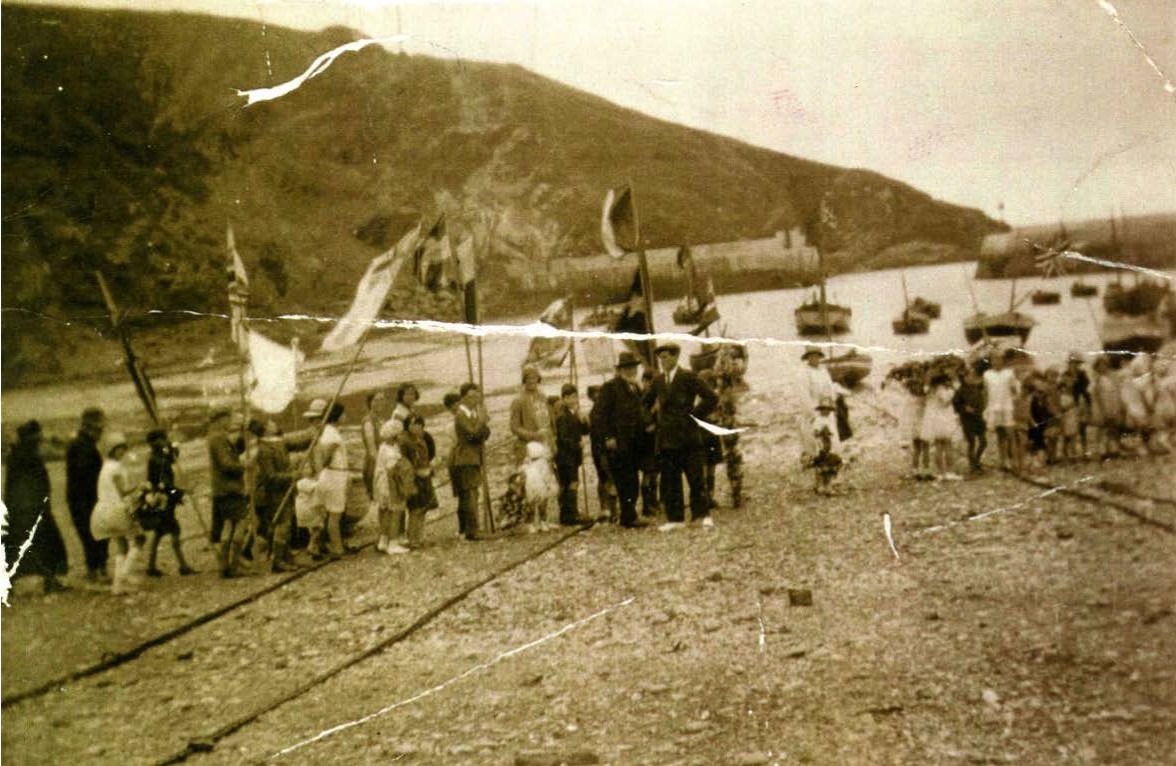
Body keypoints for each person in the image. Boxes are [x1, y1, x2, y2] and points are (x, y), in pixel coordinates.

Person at [652, 342, 718, 531]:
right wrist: (651, 421)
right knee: (671, 480)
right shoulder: (658, 381)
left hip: (689, 437)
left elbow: (711, 397)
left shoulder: (688, 376)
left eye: (665, 357)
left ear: (675, 357)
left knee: (696, 478)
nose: (662, 361)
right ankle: (675, 519)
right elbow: (644, 403)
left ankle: (702, 515)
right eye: (660, 358)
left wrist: (694, 416)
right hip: (668, 440)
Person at [3, 421, 69, 593]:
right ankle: (50, 581)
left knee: (19, 549)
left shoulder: (17, 456)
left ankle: (11, 584)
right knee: (45, 546)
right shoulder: (28, 458)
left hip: (23, 511)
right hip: (31, 511)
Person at [595, 352, 652, 528]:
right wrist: (608, 437)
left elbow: (640, 413)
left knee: (633, 479)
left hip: (635, 443)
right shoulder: (610, 388)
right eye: (627, 368)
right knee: (624, 480)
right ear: (620, 370)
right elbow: (598, 416)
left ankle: (629, 514)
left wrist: (648, 425)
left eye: (633, 368)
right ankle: (628, 516)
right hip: (618, 443)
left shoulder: (635, 388)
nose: (631, 371)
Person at [89, 432, 146, 595]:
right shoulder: (116, 468)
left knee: (121, 544)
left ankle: (117, 586)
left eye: (123, 448)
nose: (122, 452)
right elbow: (123, 492)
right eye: (118, 449)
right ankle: (125, 575)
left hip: (103, 510)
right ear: (112, 451)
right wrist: (141, 487)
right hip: (117, 509)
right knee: (140, 539)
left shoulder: (105, 467)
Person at [255, 419, 310, 572]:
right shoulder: (263, 449)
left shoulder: (278, 442)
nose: (275, 424)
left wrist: (314, 433)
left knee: (287, 523)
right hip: (275, 492)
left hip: (287, 489)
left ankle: (287, 558)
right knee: (282, 525)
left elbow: (298, 444)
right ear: (265, 428)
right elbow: (271, 477)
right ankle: (278, 561)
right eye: (271, 423)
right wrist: (291, 476)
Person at [143, 429, 195, 577]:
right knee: (173, 530)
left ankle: (151, 566)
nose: (164, 441)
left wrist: (172, 447)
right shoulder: (157, 460)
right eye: (162, 439)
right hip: (164, 498)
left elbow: (173, 457)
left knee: (160, 532)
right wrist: (181, 493)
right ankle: (182, 565)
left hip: (161, 498)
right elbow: (166, 485)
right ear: (155, 442)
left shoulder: (158, 456)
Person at [207, 407, 252, 577]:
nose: (229, 421)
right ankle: (233, 566)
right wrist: (243, 467)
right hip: (230, 488)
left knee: (228, 525)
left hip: (221, 489)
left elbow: (231, 453)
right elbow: (226, 463)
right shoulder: (218, 437)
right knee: (241, 523)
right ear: (220, 419)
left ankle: (224, 567)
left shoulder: (215, 437)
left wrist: (242, 437)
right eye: (227, 418)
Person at [66, 407, 108, 580]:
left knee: (89, 533)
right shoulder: (84, 447)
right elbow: (88, 476)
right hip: (86, 499)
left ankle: (95, 568)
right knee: (95, 533)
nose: (101, 433)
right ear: (89, 428)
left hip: (79, 499)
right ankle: (97, 569)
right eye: (99, 430)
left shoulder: (80, 445)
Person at [452, 383, 491, 540]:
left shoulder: (473, 413)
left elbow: (485, 433)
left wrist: (481, 427)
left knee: (473, 493)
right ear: (463, 398)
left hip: (475, 456)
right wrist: (481, 422)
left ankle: (470, 528)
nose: (474, 399)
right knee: (470, 494)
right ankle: (472, 530)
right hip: (466, 458)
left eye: (476, 396)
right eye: (470, 397)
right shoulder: (461, 415)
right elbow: (472, 434)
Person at [373, 421, 413, 554]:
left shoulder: (383, 447)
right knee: (396, 512)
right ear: (394, 435)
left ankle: (383, 541)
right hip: (391, 484)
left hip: (381, 483)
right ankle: (393, 543)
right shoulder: (391, 452)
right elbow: (393, 471)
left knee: (385, 512)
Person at [554, 383, 590, 525]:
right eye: (572, 397)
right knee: (572, 483)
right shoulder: (563, 415)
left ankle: (568, 514)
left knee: (570, 482)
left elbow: (585, 431)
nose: (575, 400)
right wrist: (576, 444)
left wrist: (584, 420)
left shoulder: (573, 413)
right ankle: (571, 514)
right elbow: (562, 438)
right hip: (565, 456)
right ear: (565, 398)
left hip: (573, 455)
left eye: (576, 396)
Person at [400, 414, 438, 546]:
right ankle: (413, 539)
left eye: (418, 424)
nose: (416, 426)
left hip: (424, 475)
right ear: (407, 426)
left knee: (423, 508)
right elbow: (404, 462)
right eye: (412, 424)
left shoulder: (421, 438)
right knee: (415, 509)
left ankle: (419, 537)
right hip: (414, 477)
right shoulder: (404, 441)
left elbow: (429, 454)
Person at [983, 349, 1019, 470]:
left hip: (1007, 407)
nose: (996, 362)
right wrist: (986, 408)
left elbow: (1015, 390)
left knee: (1010, 435)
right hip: (994, 407)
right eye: (994, 359)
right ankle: (1003, 462)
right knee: (1000, 436)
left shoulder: (1009, 373)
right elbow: (986, 393)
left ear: (1003, 360)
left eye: (999, 359)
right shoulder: (987, 374)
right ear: (991, 361)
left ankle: (1015, 462)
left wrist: (1012, 401)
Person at [510, 366, 554, 466]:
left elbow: (549, 420)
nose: (531, 381)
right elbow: (514, 427)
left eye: (534, 378)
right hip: (527, 445)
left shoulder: (542, 397)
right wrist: (532, 435)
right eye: (528, 378)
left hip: (544, 443)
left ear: (538, 379)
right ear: (524, 380)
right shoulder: (518, 400)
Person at [586, 385, 618, 522]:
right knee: (608, 479)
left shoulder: (600, 410)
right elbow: (601, 431)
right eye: (595, 394)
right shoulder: (597, 412)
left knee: (606, 479)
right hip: (601, 450)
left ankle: (608, 509)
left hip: (601, 450)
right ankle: (609, 510)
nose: (598, 396)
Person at [922, 373, 962, 480]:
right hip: (943, 419)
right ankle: (949, 472)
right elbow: (945, 403)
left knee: (938, 446)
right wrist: (953, 393)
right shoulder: (941, 390)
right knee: (947, 445)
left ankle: (940, 472)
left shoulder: (930, 390)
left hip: (934, 419)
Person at [953, 362, 988, 474]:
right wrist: (964, 408)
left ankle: (977, 461)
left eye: (972, 375)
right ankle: (972, 466)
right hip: (967, 419)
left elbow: (983, 399)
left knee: (983, 442)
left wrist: (983, 409)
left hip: (979, 417)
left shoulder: (977, 387)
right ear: (964, 378)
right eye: (968, 376)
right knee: (971, 442)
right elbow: (955, 405)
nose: (971, 378)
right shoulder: (960, 391)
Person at [803, 396, 843, 495]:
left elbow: (833, 433)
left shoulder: (829, 419)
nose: (827, 411)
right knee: (824, 465)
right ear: (821, 409)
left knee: (824, 465)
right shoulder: (819, 420)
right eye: (824, 409)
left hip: (829, 445)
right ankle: (824, 487)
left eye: (828, 409)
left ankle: (822, 486)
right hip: (823, 445)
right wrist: (821, 437)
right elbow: (816, 432)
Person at [1090, 355, 1125, 459]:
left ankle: (1113, 449)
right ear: (1096, 367)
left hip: (1113, 404)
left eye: (1104, 365)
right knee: (1103, 428)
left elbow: (1117, 391)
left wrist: (1119, 405)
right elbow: (1097, 395)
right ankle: (1102, 451)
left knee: (1113, 428)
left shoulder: (1112, 377)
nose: (1103, 368)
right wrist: (1102, 409)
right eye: (1100, 366)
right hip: (1102, 406)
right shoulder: (1096, 380)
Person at [638, 368, 661, 517]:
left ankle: (654, 501)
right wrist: (653, 412)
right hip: (644, 441)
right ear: (644, 382)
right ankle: (647, 506)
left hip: (655, 440)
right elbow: (641, 418)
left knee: (655, 473)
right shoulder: (641, 398)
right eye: (649, 382)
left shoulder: (655, 398)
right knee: (648, 473)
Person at [522, 441, 559, 530]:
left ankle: (541, 522)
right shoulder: (529, 463)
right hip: (533, 486)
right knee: (535, 504)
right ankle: (533, 523)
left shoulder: (542, 463)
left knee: (540, 504)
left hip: (538, 486)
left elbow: (546, 476)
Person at [361, 390, 390, 498]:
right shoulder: (368, 421)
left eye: (382, 400)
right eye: (376, 400)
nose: (379, 403)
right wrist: (383, 467)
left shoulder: (381, 420)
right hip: (375, 464)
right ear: (370, 403)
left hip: (383, 461)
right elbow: (372, 450)